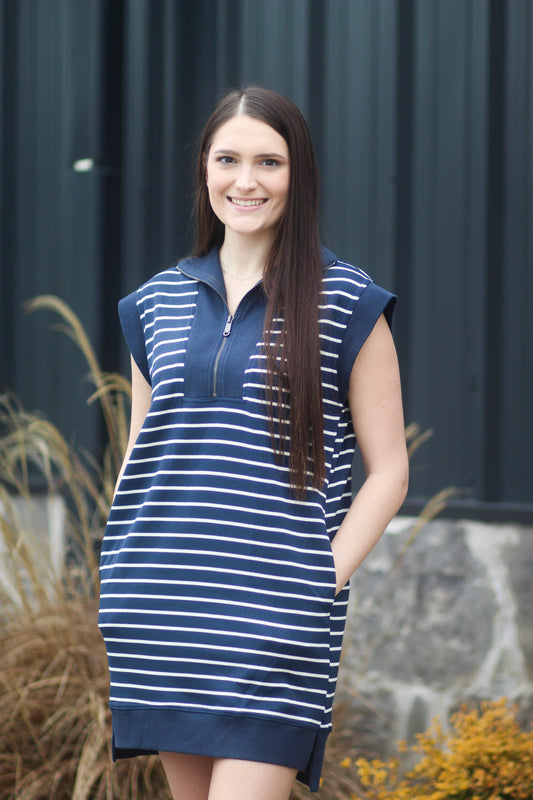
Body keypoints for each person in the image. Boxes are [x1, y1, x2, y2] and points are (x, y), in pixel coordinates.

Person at [98, 86, 409, 800]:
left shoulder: (347, 301)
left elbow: (389, 471)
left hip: (278, 615)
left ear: (297, 174)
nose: (246, 181)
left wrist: (316, 582)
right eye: (228, 159)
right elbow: (142, 452)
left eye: (268, 162)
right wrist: (115, 573)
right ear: (203, 169)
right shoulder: (155, 302)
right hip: (160, 603)